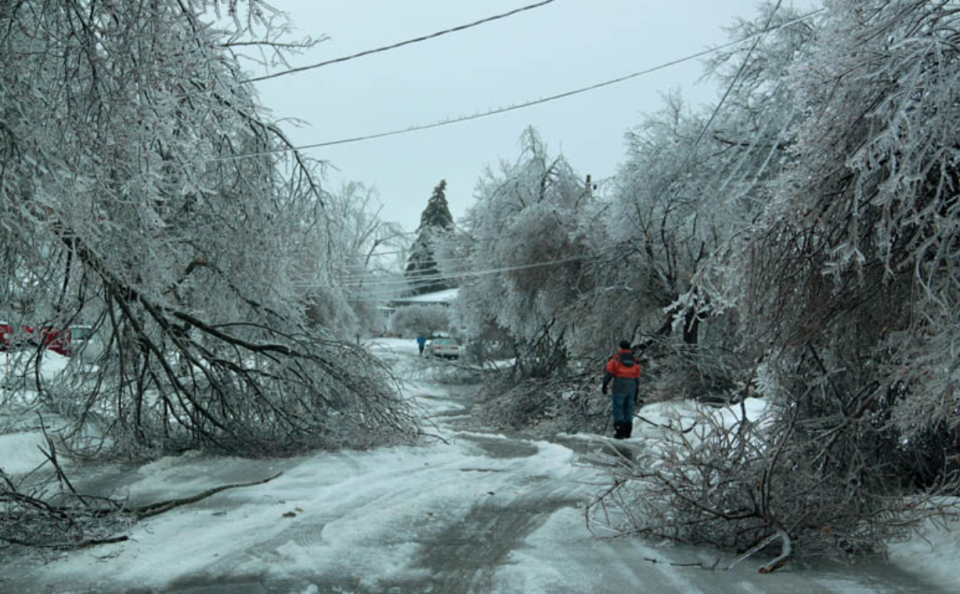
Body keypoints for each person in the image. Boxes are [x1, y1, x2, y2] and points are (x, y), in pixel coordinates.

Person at [601, 339, 642, 439]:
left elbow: (609, 372)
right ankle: (628, 432)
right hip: (632, 385)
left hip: (619, 384)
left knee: (618, 408)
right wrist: (636, 393)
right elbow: (637, 378)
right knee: (628, 409)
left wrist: (604, 385)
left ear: (620, 348)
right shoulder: (634, 361)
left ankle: (619, 432)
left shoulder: (616, 359)